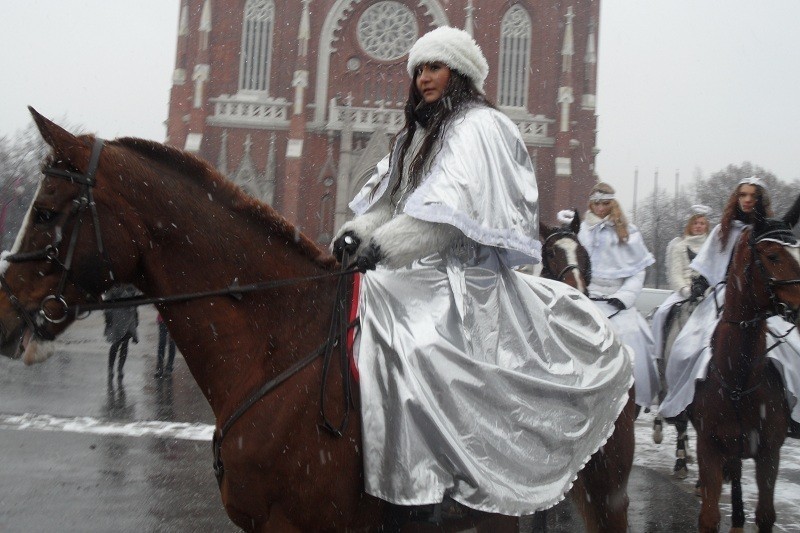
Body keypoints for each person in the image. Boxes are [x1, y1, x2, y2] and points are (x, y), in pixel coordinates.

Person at [331, 26, 632, 518]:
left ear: (460, 73)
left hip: (467, 277)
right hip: (414, 269)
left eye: (435, 67)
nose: (424, 78)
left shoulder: (479, 127)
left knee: (419, 343)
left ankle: (432, 484)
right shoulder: (418, 132)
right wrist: (358, 234)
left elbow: (449, 222)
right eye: (419, 69)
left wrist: (381, 250)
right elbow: (391, 205)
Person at [659, 177, 800, 437]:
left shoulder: (767, 230)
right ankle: (680, 404)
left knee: (793, 350)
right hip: (725, 297)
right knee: (684, 348)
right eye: (743, 195)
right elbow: (707, 264)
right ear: (736, 198)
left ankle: (794, 414)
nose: (747, 200)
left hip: (762, 300)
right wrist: (701, 282)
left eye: (753, 196)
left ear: (761, 200)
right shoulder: (722, 231)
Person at [577, 182, 660, 410]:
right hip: (587, 297)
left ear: (612, 203)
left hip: (618, 301)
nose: (601, 208)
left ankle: (635, 395)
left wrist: (624, 297)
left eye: (605, 203)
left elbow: (637, 271)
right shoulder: (581, 230)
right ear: (590, 204)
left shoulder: (628, 232)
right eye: (596, 204)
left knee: (634, 338)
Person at [103, 285, 139, 381]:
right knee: (116, 343)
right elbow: (107, 300)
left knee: (125, 344)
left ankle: (120, 369)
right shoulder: (114, 285)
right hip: (117, 318)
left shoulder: (131, 285)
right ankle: (111, 368)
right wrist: (108, 316)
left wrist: (136, 316)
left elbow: (135, 302)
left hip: (129, 318)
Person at [154, 313, 176, 378]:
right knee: (162, 342)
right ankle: (160, 367)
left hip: (174, 319)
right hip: (162, 319)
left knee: (172, 343)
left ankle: (169, 367)